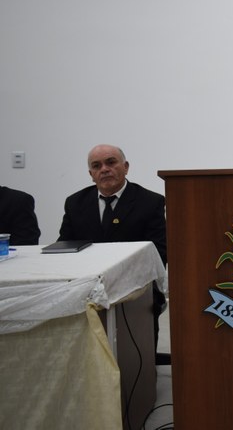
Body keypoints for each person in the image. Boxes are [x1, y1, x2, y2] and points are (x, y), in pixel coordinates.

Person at [58, 144, 168, 359]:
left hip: (136, 288)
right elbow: (65, 247)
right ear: (91, 174)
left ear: (125, 167)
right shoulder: (75, 203)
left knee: (134, 356)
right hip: (87, 287)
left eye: (111, 162)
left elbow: (159, 250)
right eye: (97, 166)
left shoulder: (150, 201)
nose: (104, 169)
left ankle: (143, 368)